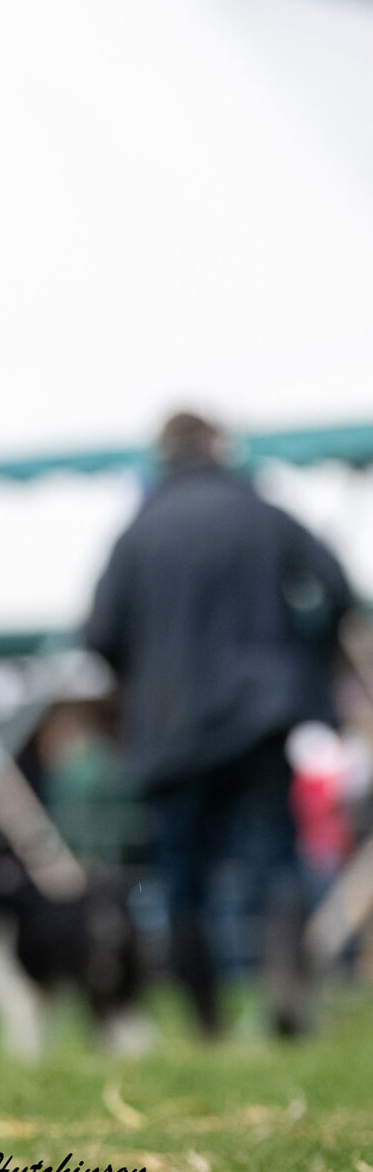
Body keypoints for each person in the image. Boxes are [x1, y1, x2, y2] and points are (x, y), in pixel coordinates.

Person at [85, 410, 353, 1038]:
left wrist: (146, 679)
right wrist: (298, 655)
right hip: (260, 715)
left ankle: (206, 1022)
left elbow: (99, 633)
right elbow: (337, 587)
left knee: (183, 877)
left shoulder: (137, 533)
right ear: (216, 447)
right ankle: (285, 991)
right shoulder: (261, 511)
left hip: (170, 727)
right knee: (274, 862)